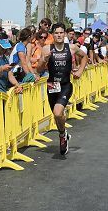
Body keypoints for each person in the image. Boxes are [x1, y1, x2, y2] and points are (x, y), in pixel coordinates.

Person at [36, 22, 87, 156]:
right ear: (53, 35)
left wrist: (80, 71)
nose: (59, 35)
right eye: (56, 33)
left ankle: (62, 135)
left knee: (58, 112)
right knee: (56, 115)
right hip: (52, 85)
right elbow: (39, 69)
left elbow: (85, 57)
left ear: (64, 34)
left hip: (65, 85)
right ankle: (63, 134)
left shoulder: (71, 48)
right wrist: (44, 60)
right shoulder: (46, 49)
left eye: (61, 32)